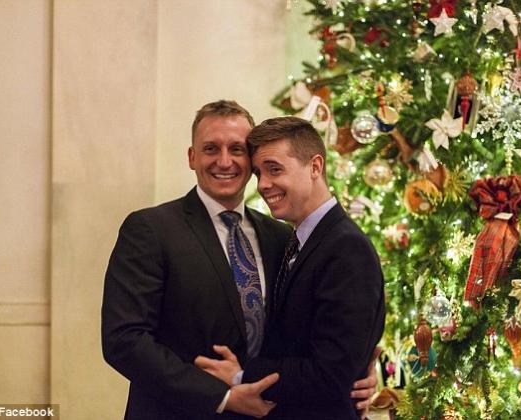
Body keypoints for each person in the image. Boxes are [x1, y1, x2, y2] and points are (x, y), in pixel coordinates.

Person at [101, 101, 377, 420]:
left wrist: (355, 373)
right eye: (210, 148)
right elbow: (124, 340)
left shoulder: (280, 236)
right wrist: (223, 397)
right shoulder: (151, 229)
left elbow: (309, 334)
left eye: (237, 149)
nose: (224, 161)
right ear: (192, 157)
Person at [195, 116, 385, 420]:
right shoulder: (292, 240)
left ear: (315, 167)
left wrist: (242, 376)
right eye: (259, 173)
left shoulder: (347, 248)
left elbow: (330, 374)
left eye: (275, 169)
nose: (263, 185)